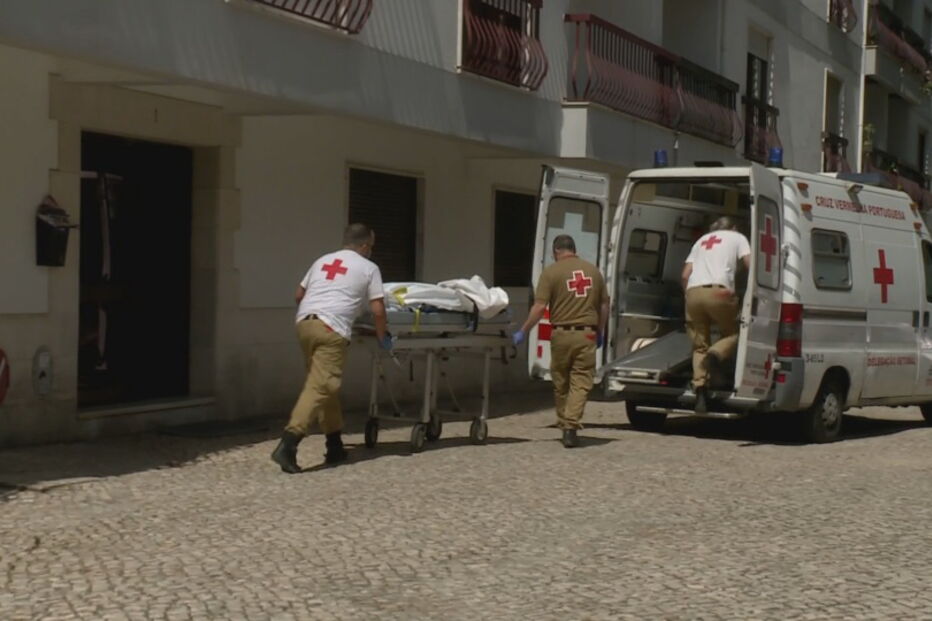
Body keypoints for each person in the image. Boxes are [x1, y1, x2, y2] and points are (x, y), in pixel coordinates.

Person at [271, 223, 391, 474]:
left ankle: (334, 444)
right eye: (372, 246)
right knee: (321, 386)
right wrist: (383, 337)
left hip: (305, 324)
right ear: (365, 246)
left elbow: (298, 294)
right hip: (331, 329)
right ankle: (289, 442)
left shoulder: (322, 261)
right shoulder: (369, 268)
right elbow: (378, 310)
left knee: (324, 386)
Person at [513, 235, 610, 448]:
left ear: (556, 251)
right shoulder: (593, 271)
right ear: (574, 249)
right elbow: (604, 305)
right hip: (587, 334)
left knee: (561, 380)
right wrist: (600, 330)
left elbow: (539, 308)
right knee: (581, 381)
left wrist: (524, 330)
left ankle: (566, 421)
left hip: (560, 334)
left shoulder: (551, 272)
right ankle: (571, 425)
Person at [681, 216, 751, 415]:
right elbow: (750, 265)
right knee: (733, 333)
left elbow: (685, 275)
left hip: (693, 292)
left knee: (699, 345)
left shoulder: (701, 241)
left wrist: (689, 295)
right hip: (720, 292)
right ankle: (716, 354)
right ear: (734, 227)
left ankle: (700, 390)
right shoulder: (738, 238)